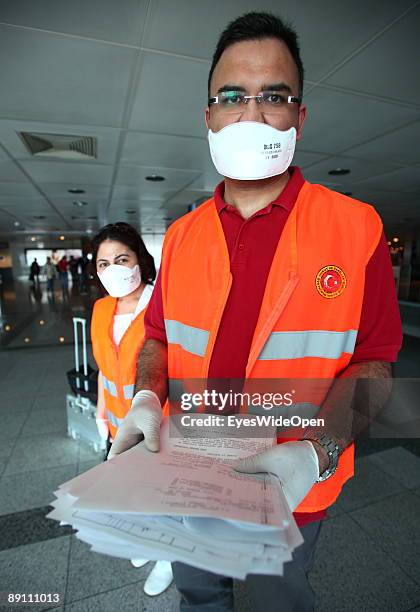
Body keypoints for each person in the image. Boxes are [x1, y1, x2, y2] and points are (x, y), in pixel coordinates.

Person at [107, 12, 403, 611]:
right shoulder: (184, 236)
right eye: (232, 97)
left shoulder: (355, 228)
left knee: (279, 602)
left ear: (300, 116)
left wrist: (312, 454)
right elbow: (160, 336)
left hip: (292, 486)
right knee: (200, 595)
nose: (250, 114)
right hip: (191, 465)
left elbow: (376, 363)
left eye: (274, 96)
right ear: (208, 115)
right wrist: (144, 396)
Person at [90, 222, 173, 598]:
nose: (113, 269)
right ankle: (146, 540)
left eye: (121, 258)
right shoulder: (100, 309)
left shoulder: (162, 304)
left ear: (140, 259)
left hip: (159, 423)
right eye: (103, 263)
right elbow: (104, 368)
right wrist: (100, 408)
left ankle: (168, 557)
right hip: (118, 423)